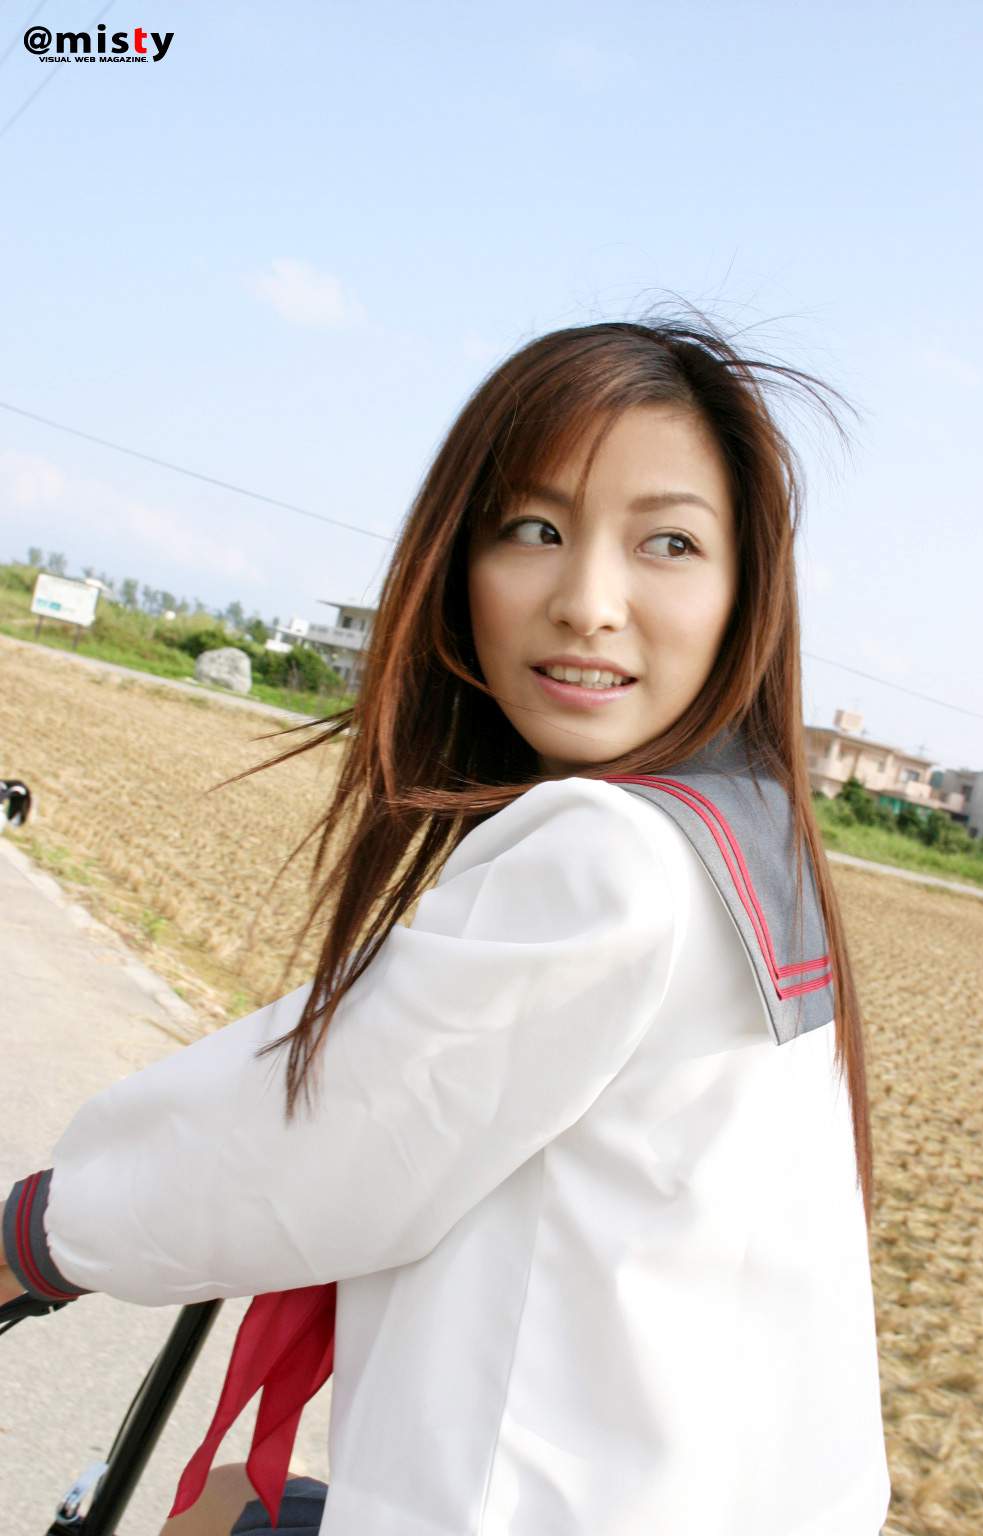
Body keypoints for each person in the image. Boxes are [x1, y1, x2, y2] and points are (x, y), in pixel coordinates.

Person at [0, 310, 891, 1536]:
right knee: (227, 1507)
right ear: (457, 559)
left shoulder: (613, 855)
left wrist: (35, 1235)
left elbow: (329, 1142)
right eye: (534, 529)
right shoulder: (750, 837)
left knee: (207, 1515)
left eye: (668, 543)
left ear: (745, 595)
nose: (587, 602)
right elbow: (422, 1048)